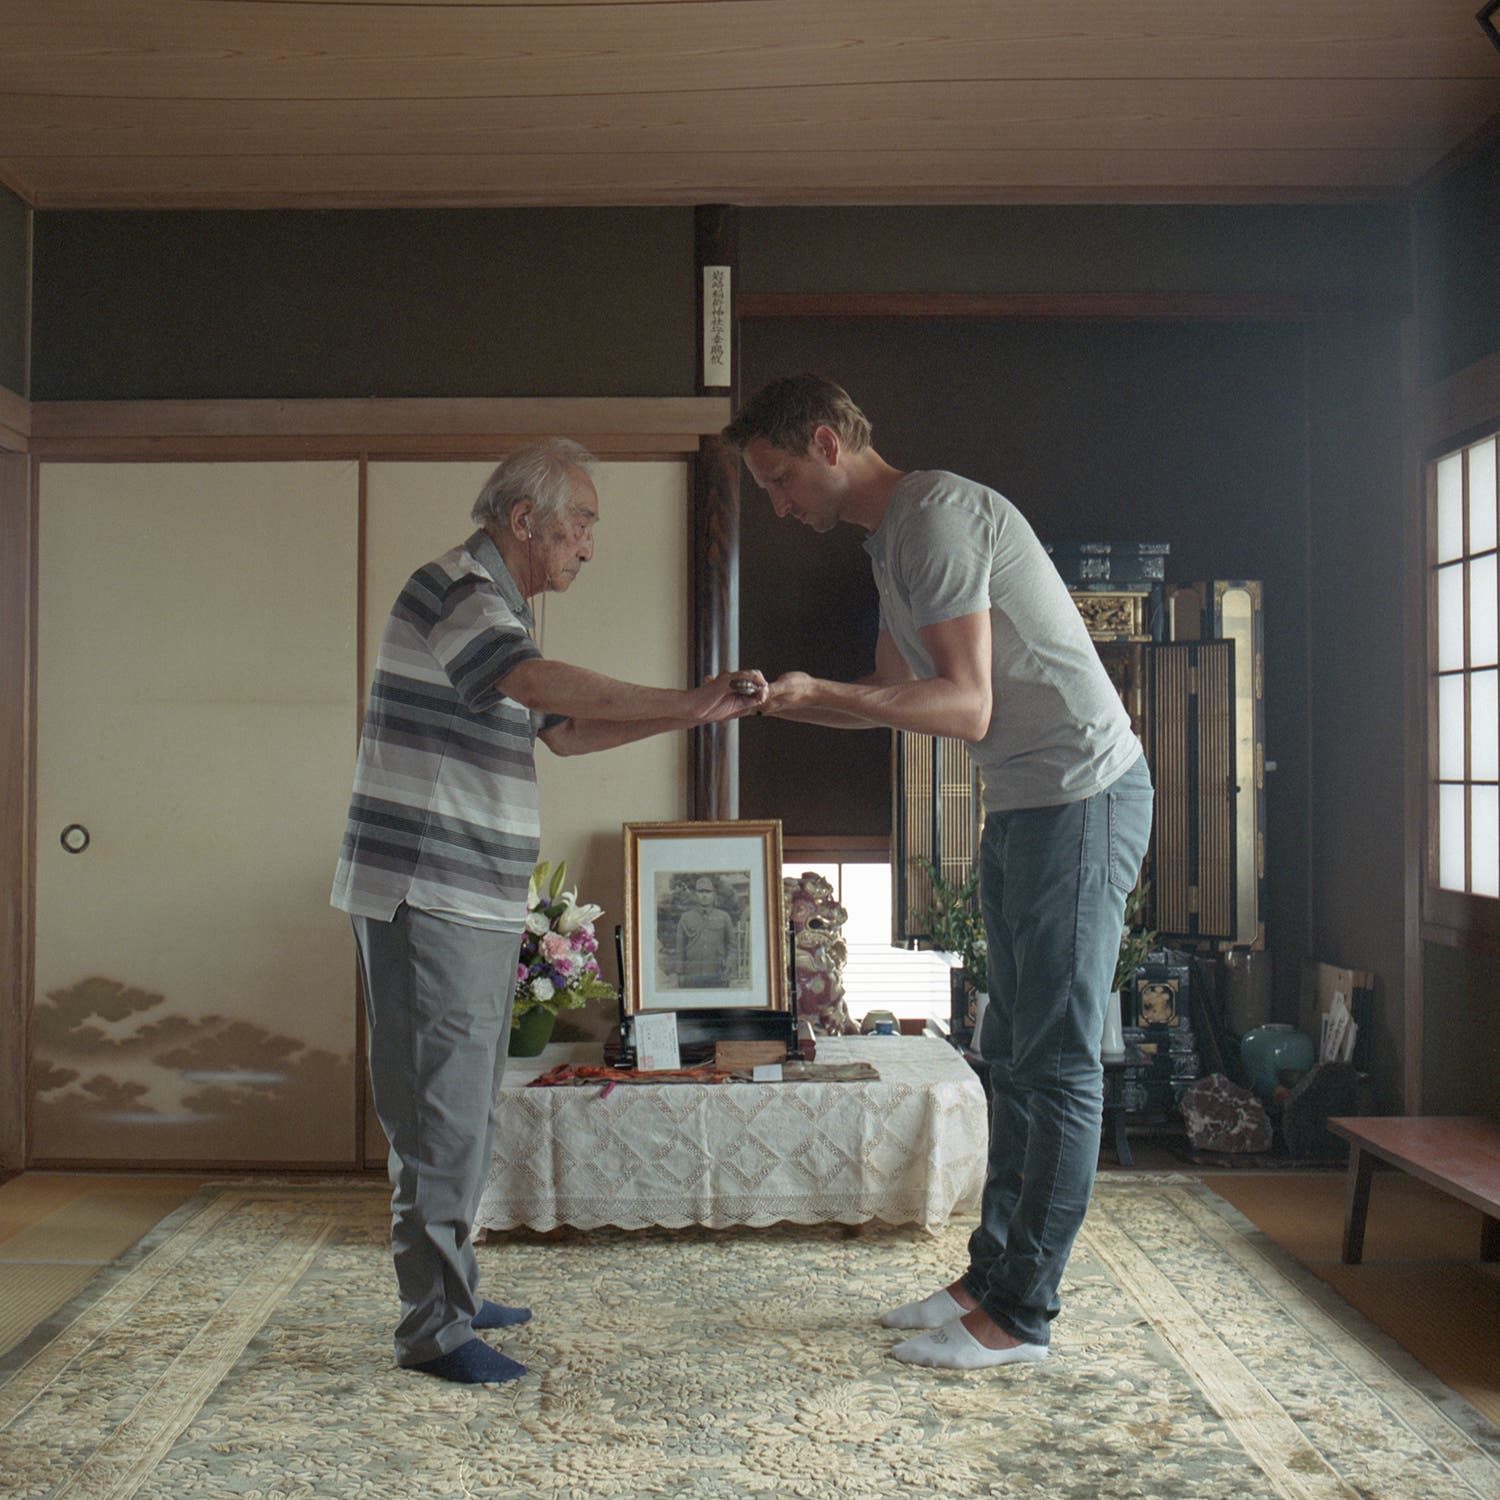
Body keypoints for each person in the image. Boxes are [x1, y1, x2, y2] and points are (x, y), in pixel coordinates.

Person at [723, 376, 1153, 1371]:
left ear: (827, 444)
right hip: (1029, 805)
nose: (780, 505)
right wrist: (781, 700)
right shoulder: (893, 540)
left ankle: (1023, 1315)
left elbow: (964, 708)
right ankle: (986, 1282)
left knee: (1056, 1059)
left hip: (1082, 797)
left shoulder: (937, 516)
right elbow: (886, 698)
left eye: (781, 480)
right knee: (1008, 1051)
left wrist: (824, 689)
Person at [331, 439, 764, 1386]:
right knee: (439, 1113)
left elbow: (563, 734)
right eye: (582, 524)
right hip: (425, 890)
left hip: (472, 895)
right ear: (524, 520)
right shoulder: (458, 590)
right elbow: (539, 686)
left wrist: (691, 715)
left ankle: (452, 1289)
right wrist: (684, 697)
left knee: (464, 1110)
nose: (589, 547)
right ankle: (434, 1330)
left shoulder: (499, 610)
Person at [675, 875, 735, 987]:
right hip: (692, 975)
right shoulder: (685, 918)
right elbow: (680, 948)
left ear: (713, 895)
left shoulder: (724, 917)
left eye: (708, 892)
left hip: (717, 974)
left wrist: (729, 964)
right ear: (695, 895)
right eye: (700, 892)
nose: (704, 895)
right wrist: (679, 973)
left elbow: (732, 946)